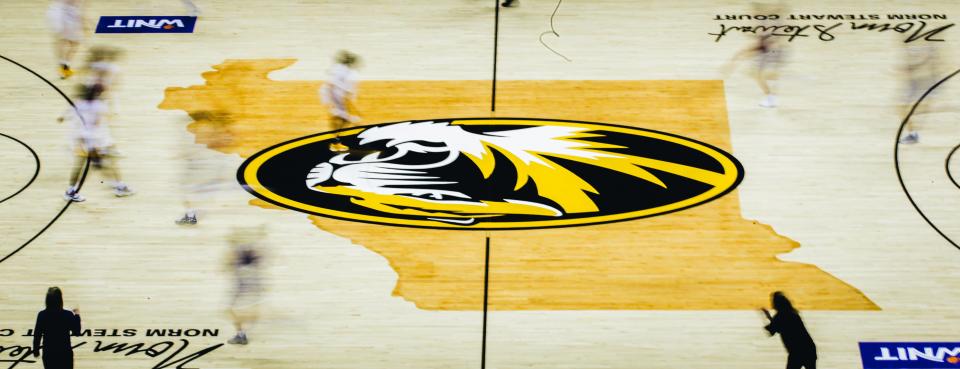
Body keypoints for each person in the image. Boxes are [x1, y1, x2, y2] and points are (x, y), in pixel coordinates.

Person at [61, 84, 134, 202]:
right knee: (100, 164)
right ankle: (120, 186)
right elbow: (97, 123)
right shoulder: (98, 106)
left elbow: (70, 114)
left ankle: (119, 186)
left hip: (81, 139)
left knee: (83, 166)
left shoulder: (79, 104)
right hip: (93, 140)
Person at [225, 227, 266, 345]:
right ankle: (241, 333)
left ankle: (241, 335)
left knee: (230, 310)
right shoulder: (250, 255)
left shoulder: (237, 256)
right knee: (246, 311)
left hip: (242, 287)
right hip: (255, 287)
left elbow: (228, 267)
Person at [761, 291, 817, 369]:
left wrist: (765, 317)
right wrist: (769, 317)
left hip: (797, 353)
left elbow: (771, 331)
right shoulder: (793, 312)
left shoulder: (779, 316)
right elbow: (780, 326)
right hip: (809, 349)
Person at [319, 50, 361, 152]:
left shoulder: (339, 68)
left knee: (341, 118)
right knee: (343, 118)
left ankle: (335, 140)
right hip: (334, 95)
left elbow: (330, 81)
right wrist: (354, 111)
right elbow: (346, 96)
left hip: (330, 93)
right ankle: (335, 142)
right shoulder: (350, 75)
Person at [32, 287, 81, 369]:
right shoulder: (67, 315)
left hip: (49, 353)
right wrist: (77, 315)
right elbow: (77, 332)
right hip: (64, 353)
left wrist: (36, 351)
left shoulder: (42, 315)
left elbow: (37, 334)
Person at [47, 0, 85, 79]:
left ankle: (63, 66)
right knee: (74, 42)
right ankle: (64, 67)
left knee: (63, 40)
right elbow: (77, 7)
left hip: (56, 11)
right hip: (66, 14)